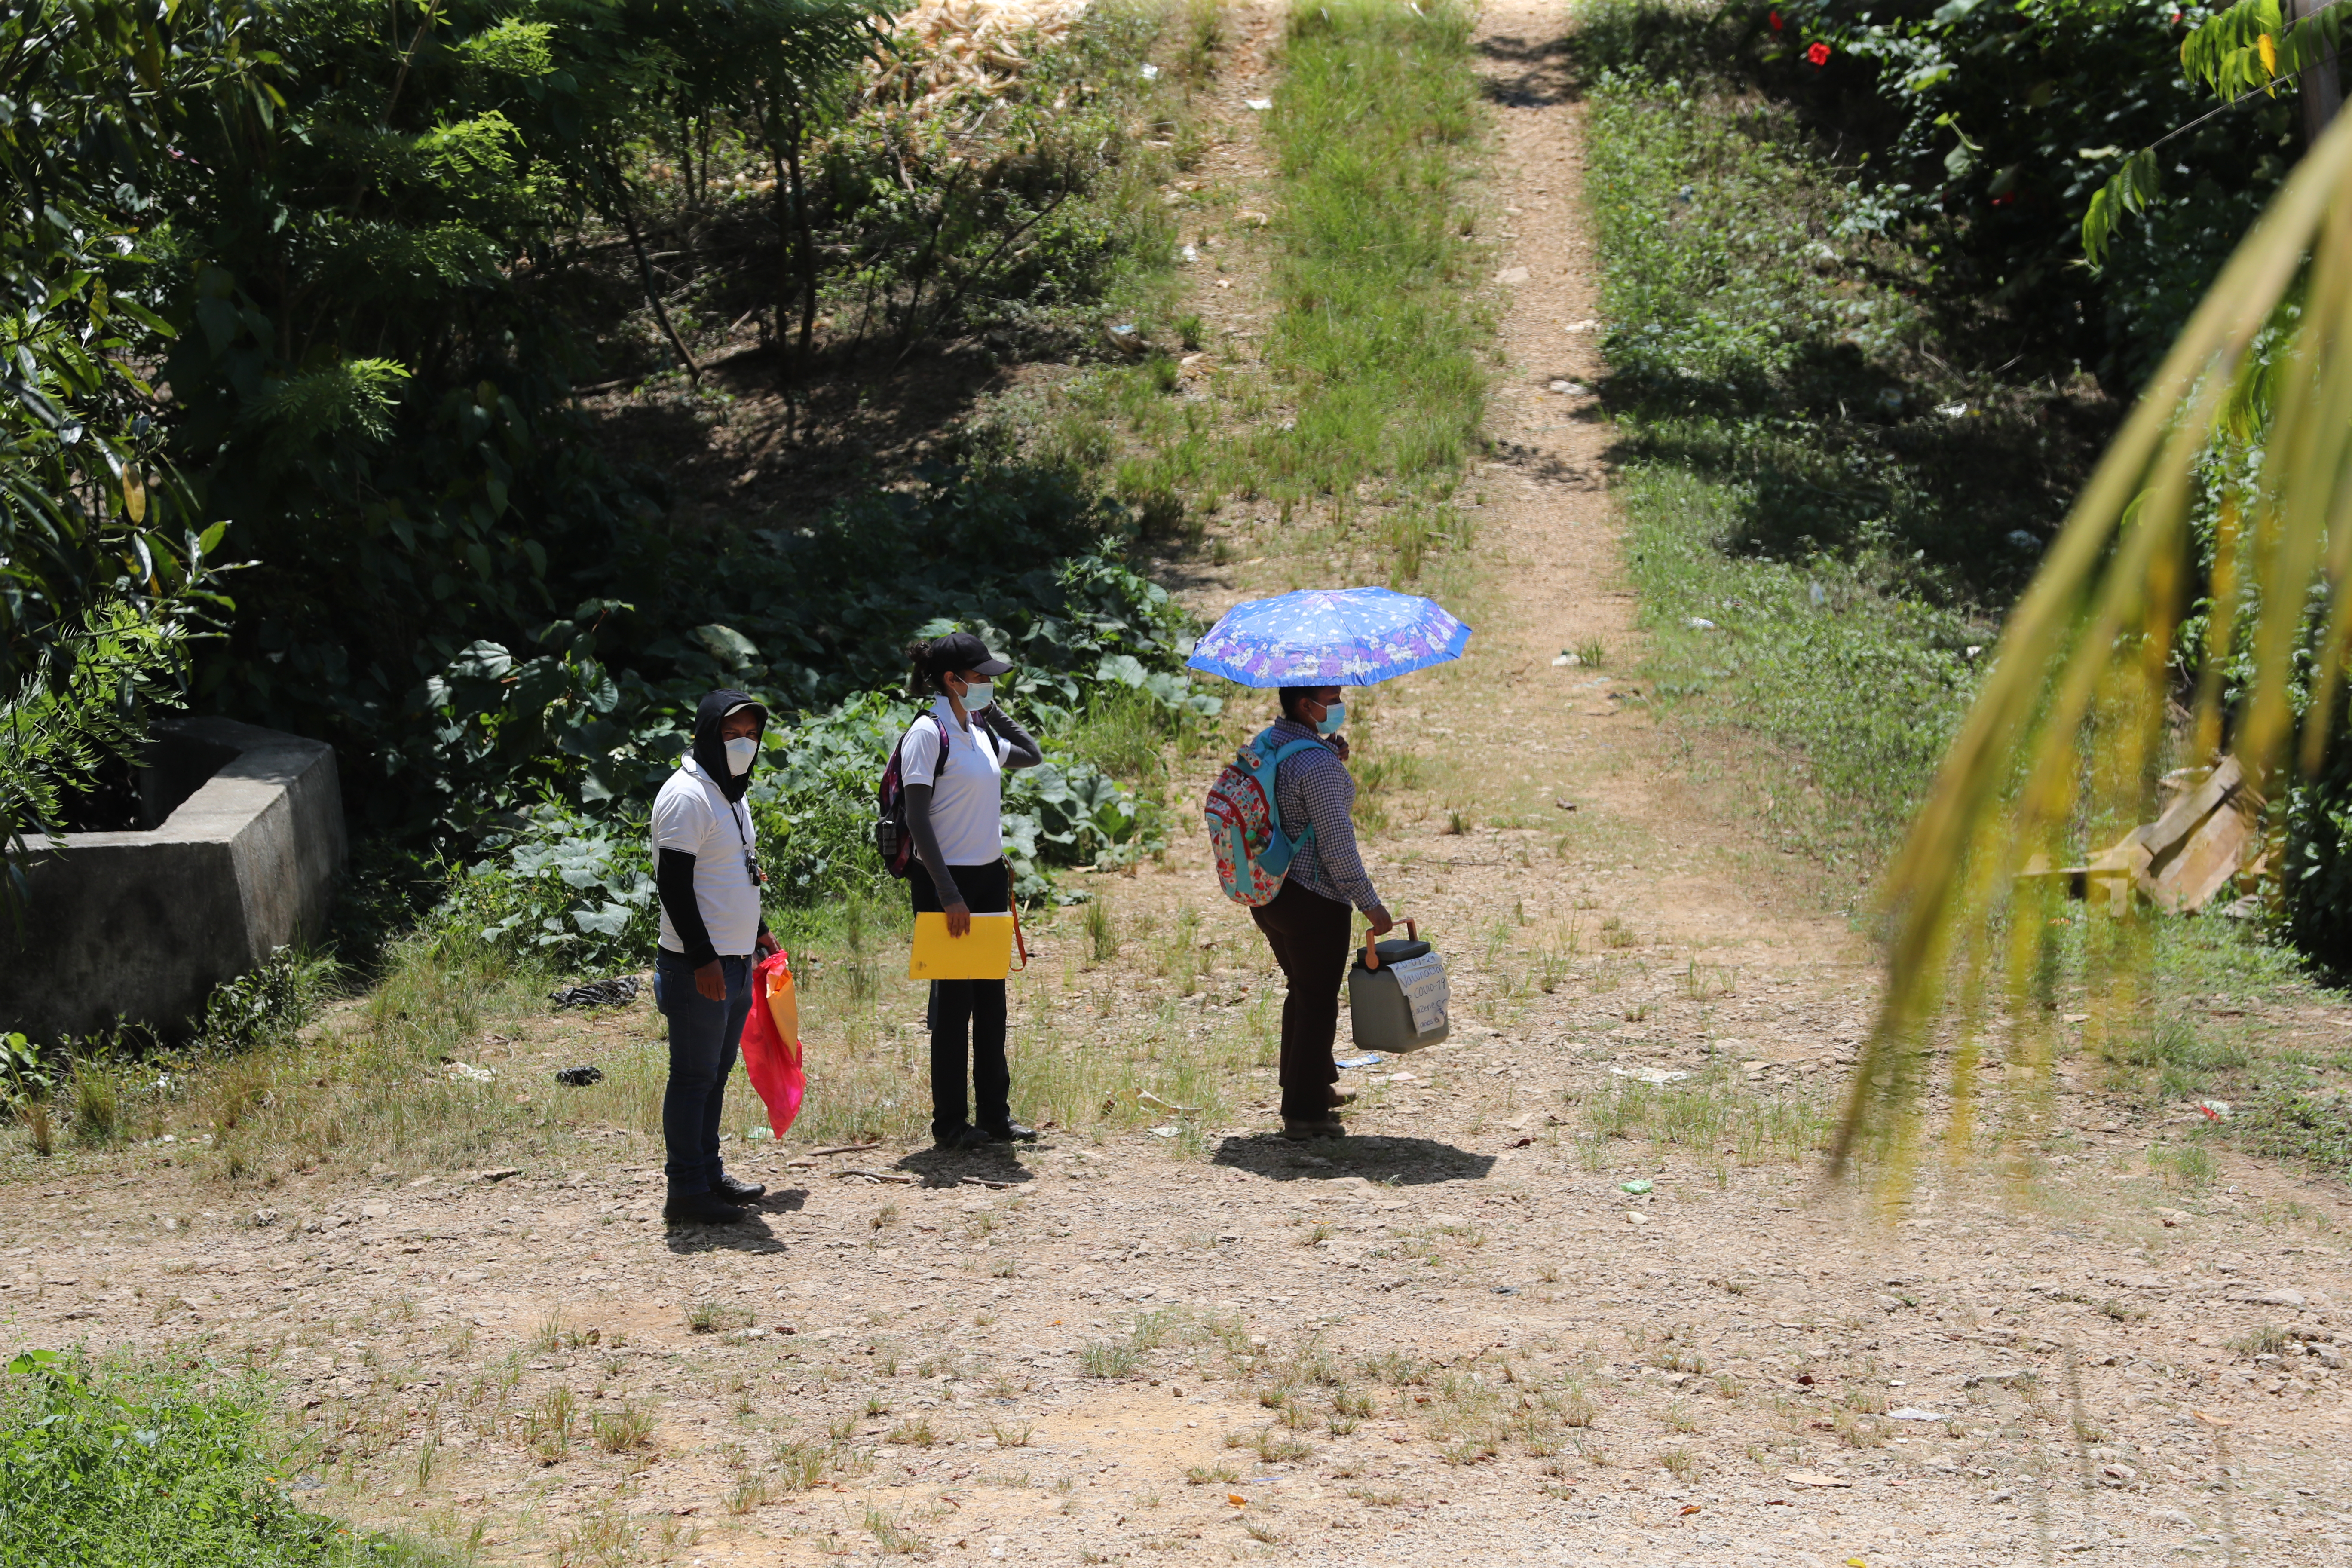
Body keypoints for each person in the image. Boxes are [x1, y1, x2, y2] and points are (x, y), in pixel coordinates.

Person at [897, 631, 1044, 1150]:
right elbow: (917, 819)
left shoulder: (976, 729)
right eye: (979, 677)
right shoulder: (926, 733)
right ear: (950, 680)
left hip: (984, 880)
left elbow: (1031, 753)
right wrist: (948, 894)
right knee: (954, 1008)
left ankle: (995, 1118)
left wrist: (988, 706)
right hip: (946, 883)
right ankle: (952, 1125)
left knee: (992, 1003)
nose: (988, 685)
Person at [650, 689, 779, 1225]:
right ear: (707, 736)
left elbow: (737, 870)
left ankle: (707, 1170)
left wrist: (761, 933)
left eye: (751, 735)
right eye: (731, 735)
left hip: (734, 959)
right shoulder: (687, 797)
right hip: (696, 966)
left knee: (717, 1073)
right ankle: (685, 1191)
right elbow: (674, 884)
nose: (743, 744)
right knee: (693, 1076)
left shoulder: (730, 793)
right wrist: (703, 958)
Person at [1252, 684, 1396, 1140]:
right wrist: (1370, 904)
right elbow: (1337, 847)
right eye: (1331, 698)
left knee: (1303, 991)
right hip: (1314, 897)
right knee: (1318, 1001)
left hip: (1267, 892)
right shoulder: (1317, 766)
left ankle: (1308, 1083)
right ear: (1306, 706)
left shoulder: (1271, 743)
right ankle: (1305, 1113)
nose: (1338, 705)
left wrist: (1329, 753)